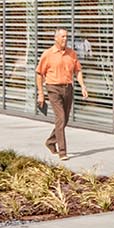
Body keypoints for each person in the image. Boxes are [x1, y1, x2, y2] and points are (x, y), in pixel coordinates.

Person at [34, 28, 91, 160]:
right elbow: (39, 74)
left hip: (68, 88)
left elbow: (78, 71)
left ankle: (50, 142)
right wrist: (41, 94)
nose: (65, 39)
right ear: (56, 38)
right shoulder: (48, 54)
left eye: (66, 37)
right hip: (53, 88)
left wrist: (83, 86)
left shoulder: (72, 54)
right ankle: (62, 152)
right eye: (63, 37)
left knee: (64, 120)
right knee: (60, 118)